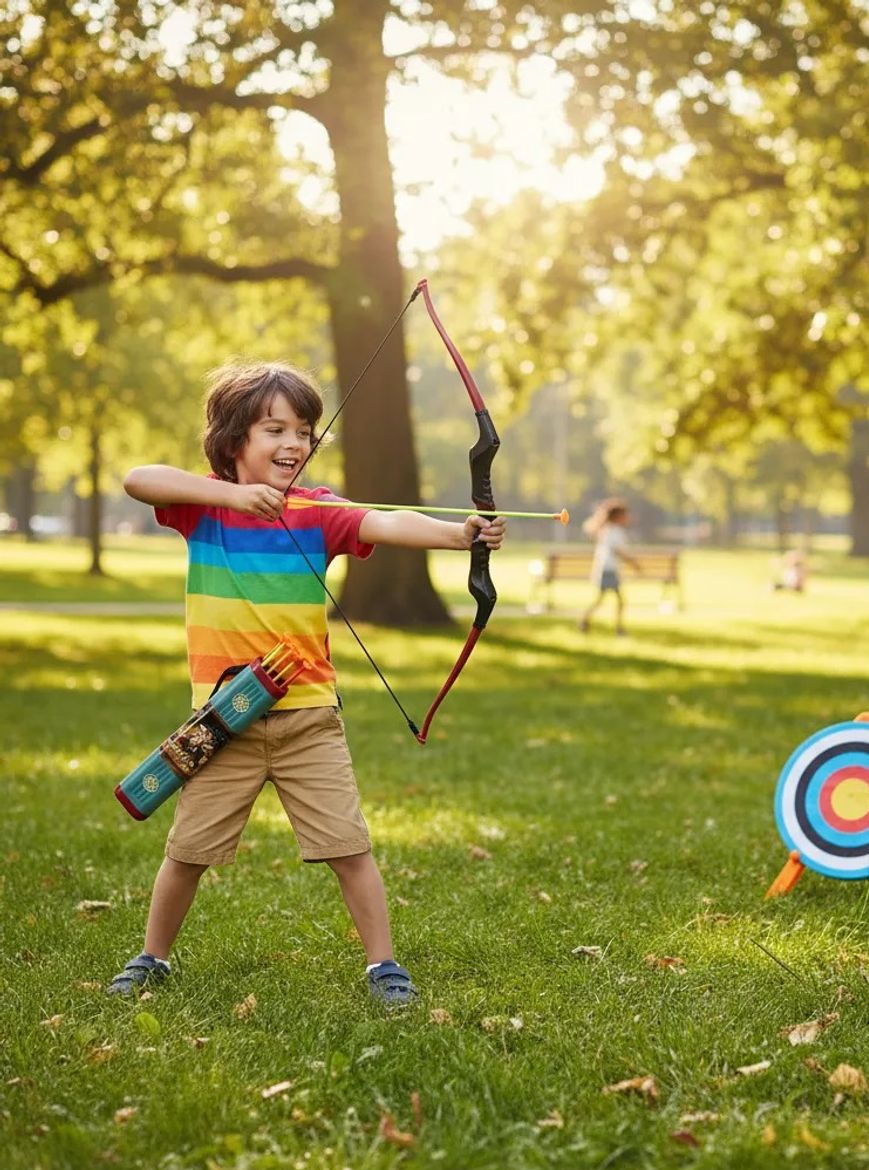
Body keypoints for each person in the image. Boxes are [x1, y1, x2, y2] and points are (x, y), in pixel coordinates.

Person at [106, 361, 505, 1008]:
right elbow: (137, 479)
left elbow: (386, 520)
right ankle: (152, 957)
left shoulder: (318, 512)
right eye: (275, 429)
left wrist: (460, 535)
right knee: (187, 852)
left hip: (308, 719)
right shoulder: (202, 509)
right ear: (234, 439)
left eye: (305, 430)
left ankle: (384, 966)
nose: (295, 443)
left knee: (350, 848)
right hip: (223, 722)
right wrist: (233, 497)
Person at [578, 498, 637, 634]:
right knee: (618, 601)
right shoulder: (614, 532)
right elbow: (618, 552)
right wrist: (634, 564)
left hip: (606, 570)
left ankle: (586, 621)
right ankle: (618, 628)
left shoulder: (607, 531)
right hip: (608, 571)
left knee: (606, 600)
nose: (628, 517)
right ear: (618, 517)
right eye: (625, 515)